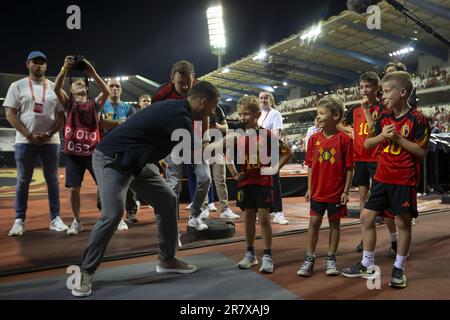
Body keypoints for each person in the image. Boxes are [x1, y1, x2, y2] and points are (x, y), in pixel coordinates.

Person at [70, 81, 220, 298]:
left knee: (167, 200)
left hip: (136, 163)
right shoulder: (179, 116)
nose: (213, 113)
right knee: (112, 215)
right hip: (112, 160)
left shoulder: (177, 110)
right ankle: (85, 271)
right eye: (212, 107)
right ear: (203, 102)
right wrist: (229, 142)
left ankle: (167, 260)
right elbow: (197, 153)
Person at [341, 72, 430, 289]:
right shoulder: (384, 117)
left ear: (403, 93)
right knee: (366, 217)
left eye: (387, 91)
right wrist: (382, 136)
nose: (383, 96)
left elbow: (421, 152)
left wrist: (398, 138)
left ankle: (399, 269)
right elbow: (368, 144)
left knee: (403, 223)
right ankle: (367, 263)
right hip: (381, 177)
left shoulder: (417, 119)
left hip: (404, 179)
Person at [4, 51, 68, 236]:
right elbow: (10, 114)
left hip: (50, 141)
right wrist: (29, 135)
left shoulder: (55, 87)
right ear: (27, 64)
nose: (38, 66)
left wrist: (49, 133)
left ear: (46, 67)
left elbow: (63, 115)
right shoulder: (17, 86)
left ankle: (55, 218)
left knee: (53, 180)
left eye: (42, 63)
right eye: (35, 62)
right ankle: (19, 220)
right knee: (23, 180)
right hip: (25, 141)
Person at [226, 96, 292, 274]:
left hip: (263, 181)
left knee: (263, 218)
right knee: (248, 217)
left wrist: (274, 169)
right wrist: (234, 173)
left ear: (257, 114)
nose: (241, 118)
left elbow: (287, 152)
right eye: (240, 114)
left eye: (246, 114)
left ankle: (268, 255)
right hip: (246, 183)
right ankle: (250, 253)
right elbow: (228, 158)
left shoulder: (266, 134)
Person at [297, 97, 353, 277]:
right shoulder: (313, 139)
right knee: (313, 223)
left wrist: (345, 191)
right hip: (318, 192)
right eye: (317, 114)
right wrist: (309, 188)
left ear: (335, 116)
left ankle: (331, 258)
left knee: (334, 224)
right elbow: (311, 165)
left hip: (336, 193)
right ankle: (309, 258)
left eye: (322, 113)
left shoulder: (345, 140)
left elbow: (349, 168)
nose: (318, 117)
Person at [54, 55, 110, 235]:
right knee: (73, 189)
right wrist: (64, 69)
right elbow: (56, 88)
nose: (79, 85)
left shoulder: (94, 105)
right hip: (73, 155)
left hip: (94, 153)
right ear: (70, 90)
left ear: (86, 89)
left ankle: (110, 216)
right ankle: (77, 221)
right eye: (75, 84)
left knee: (105, 186)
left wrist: (91, 71)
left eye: (82, 85)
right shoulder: (68, 104)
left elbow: (106, 91)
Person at [153, 61, 211, 235]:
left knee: (205, 177)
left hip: (195, 139)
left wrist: (204, 139)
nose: (185, 87)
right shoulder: (161, 94)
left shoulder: (201, 88)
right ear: (172, 80)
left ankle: (195, 216)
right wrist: (160, 152)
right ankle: (172, 228)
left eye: (188, 82)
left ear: (194, 78)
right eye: (180, 83)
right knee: (174, 185)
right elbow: (155, 122)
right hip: (172, 141)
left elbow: (206, 113)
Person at [345, 72, 398, 254]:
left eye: (368, 86)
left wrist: (367, 109)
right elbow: (341, 124)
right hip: (360, 158)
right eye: (361, 87)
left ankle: (394, 239)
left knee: (386, 201)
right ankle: (364, 237)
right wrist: (351, 132)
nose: (364, 90)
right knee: (361, 200)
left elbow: (376, 132)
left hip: (377, 159)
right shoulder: (355, 110)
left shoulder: (383, 108)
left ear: (377, 88)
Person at [101, 79, 137, 230]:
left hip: (125, 149)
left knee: (127, 183)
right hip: (106, 149)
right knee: (105, 184)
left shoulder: (128, 107)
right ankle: (108, 212)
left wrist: (111, 123)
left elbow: (132, 125)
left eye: (117, 86)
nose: (115, 88)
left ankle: (131, 211)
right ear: (107, 89)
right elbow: (102, 124)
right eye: (111, 86)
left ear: (121, 90)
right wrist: (120, 123)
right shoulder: (102, 105)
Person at [258, 91, 289, 225]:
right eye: (261, 98)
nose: (263, 100)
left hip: (272, 151)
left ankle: (278, 213)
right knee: (262, 182)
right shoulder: (258, 114)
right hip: (259, 152)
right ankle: (267, 210)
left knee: (274, 181)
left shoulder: (275, 113)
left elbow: (276, 134)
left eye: (266, 98)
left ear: (271, 100)